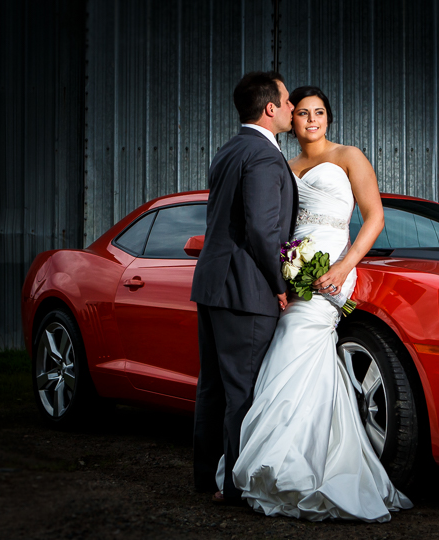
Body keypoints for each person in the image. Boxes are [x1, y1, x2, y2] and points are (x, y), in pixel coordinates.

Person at [217, 86, 413, 521]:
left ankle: (279, 465)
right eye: (302, 112)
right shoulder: (283, 166)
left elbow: (375, 216)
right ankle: (299, 460)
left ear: (329, 117)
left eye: (319, 112)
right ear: (290, 118)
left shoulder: (349, 156)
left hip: (333, 274)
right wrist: (281, 274)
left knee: (291, 346)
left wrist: (345, 266)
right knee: (298, 361)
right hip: (294, 274)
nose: (310, 120)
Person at [190, 71, 298, 505]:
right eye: (288, 101)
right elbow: (260, 228)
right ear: (270, 108)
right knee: (243, 392)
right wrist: (279, 282)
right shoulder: (266, 157)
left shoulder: (229, 149)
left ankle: (206, 478)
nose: (292, 108)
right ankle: (235, 488)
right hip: (246, 290)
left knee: (212, 386)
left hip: (212, 285)